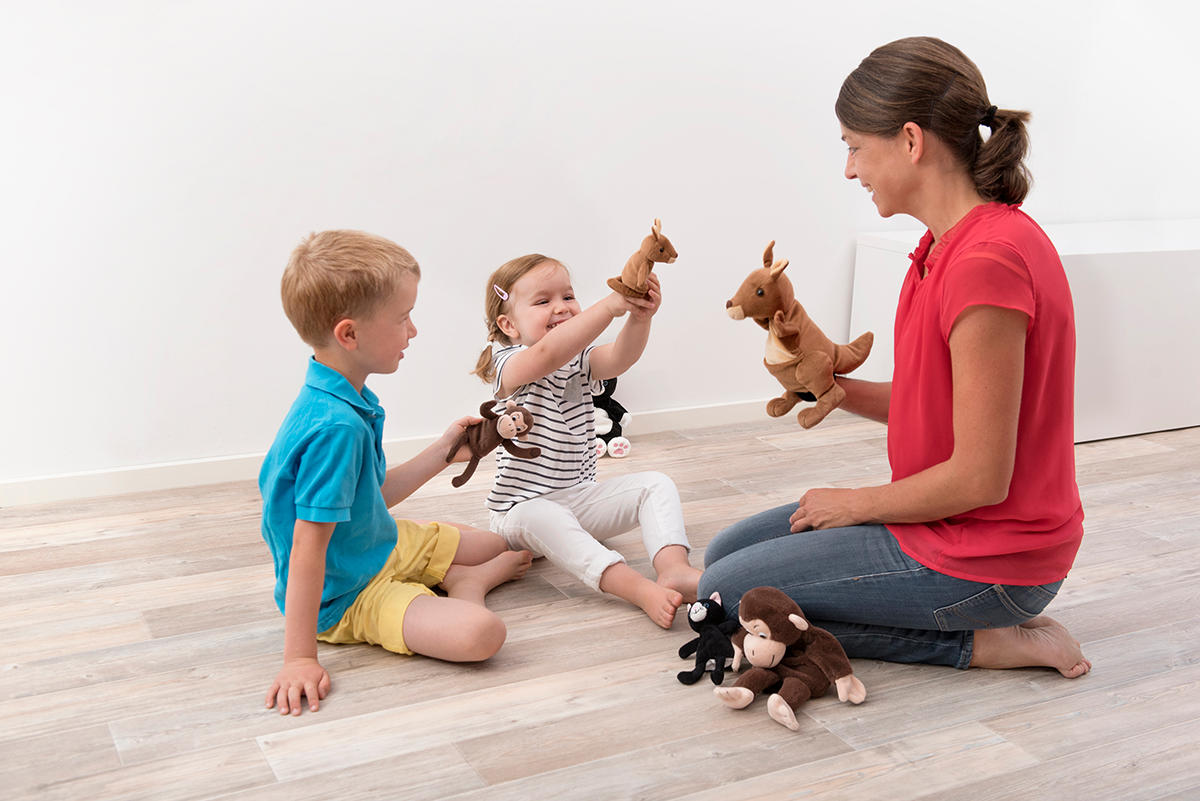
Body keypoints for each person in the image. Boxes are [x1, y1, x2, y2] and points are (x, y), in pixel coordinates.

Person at [699, 37, 1091, 677]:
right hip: (945, 525)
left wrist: (853, 503)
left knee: (723, 595)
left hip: (993, 556)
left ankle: (989, 640)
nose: (850, 170)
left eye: (855, 147)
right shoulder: (937, 249)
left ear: (911, 141)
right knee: (723, 553)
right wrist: (831, 387)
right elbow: (930, 409)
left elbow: (980, 478)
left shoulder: (986, 262)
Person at [260, 229, 533, 717]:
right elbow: (307, 549)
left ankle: (455, 575)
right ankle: (469, 585)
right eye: (403, 317)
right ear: (349, 334)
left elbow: (371, 497)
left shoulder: (346, 398)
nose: (413, 331)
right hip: (346, 591)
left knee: (500, 543)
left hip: (376, 542)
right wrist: (299, 657)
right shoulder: (335, 429)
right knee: (482, 635)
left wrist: (443, 451)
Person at [472, 254, 701, 628]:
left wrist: (639, 317)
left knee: (655, 484)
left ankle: (673, 568)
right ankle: (636, 588)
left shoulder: (576, 359)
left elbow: (618, 359)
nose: (562, 307)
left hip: (577, 498)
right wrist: (611, 305)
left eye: (568, 296)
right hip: (521, 513)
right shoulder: (507, 363)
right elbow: (546, 354)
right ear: (508, 324)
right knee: (546, 516)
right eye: (544, 301)